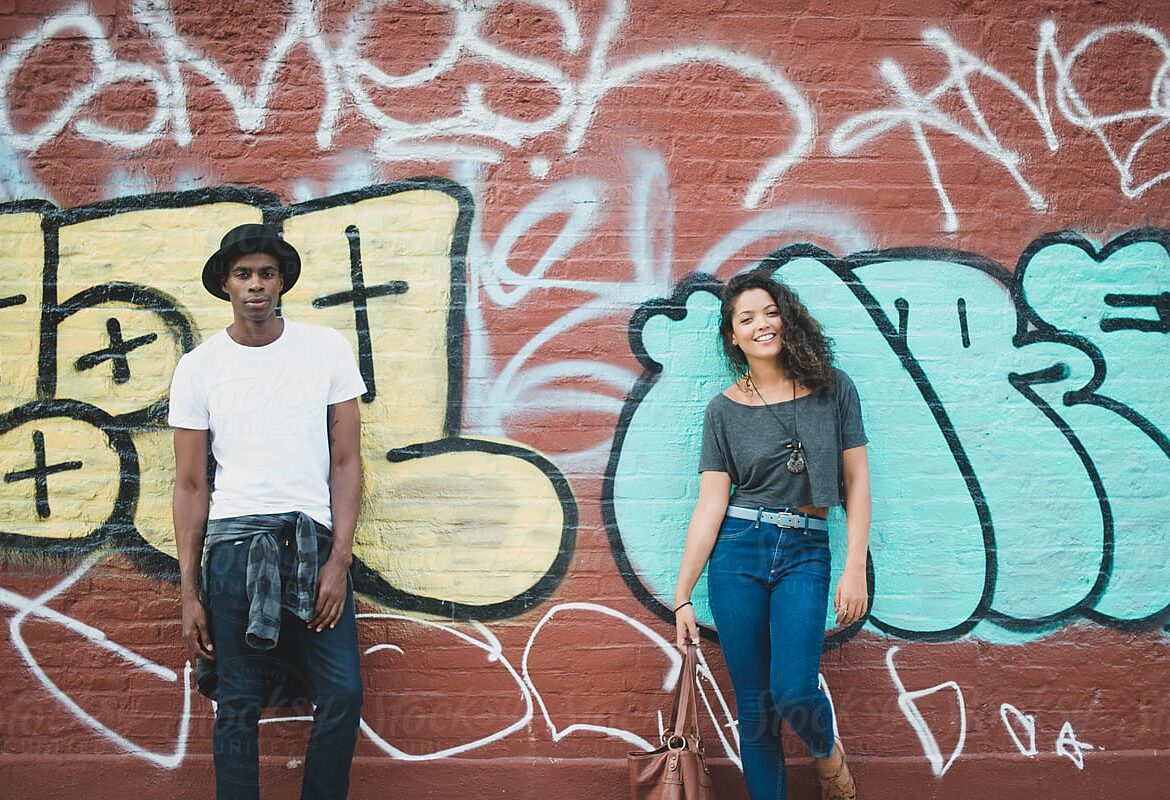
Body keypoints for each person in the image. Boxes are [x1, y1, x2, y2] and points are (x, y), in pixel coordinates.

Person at [170, 223, 366, 800]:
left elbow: (348, 460)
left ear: (281, 282)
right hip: (234, 551)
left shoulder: (324, 348)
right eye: (243, 274)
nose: (256, 285)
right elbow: (188, 483)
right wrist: (189, 591)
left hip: (311, 547)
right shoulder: (199, 367)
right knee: (237, 703)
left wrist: (339, 560)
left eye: (266, 273)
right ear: (226, 285)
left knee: (343, 691)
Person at [673, 268, 871, 800]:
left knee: (793, 691)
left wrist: (855, 567)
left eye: (770, 311)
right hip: (738, 552)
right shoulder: (722, 411)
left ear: (787, 317)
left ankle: (829, 758)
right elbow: (711, 504)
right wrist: (682, 595)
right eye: (746, 318)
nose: (762, 324)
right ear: (732, 337)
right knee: (755, 710)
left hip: (807, 551)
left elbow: (856, 482)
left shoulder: (833, 388)